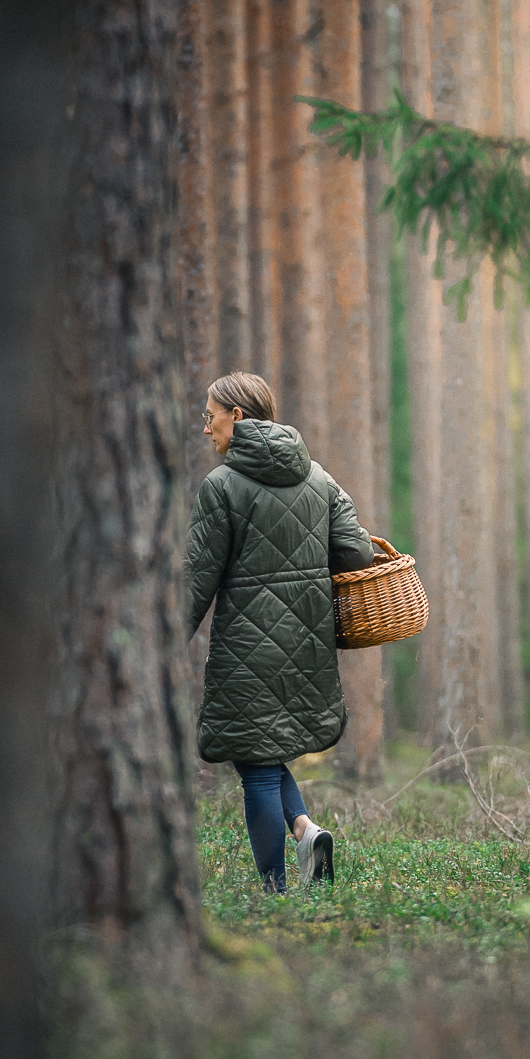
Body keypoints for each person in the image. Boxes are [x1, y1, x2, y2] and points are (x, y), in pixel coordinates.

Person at [185, 371, 374, 891]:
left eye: (210, 416)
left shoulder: (221, 486)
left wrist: (160, 640)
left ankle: (275, 891)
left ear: (237, 417)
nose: (207, 429)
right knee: (262, 755)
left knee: (260, 766)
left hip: (248, 646)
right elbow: (357, 552)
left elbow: (199, 576)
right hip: (309, 644)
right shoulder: (319, 477)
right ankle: (305, 830)